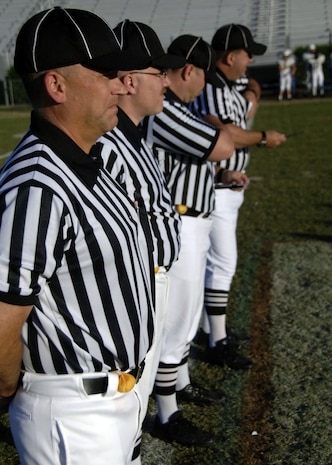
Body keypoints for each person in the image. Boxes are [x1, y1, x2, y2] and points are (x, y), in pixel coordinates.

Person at [0, 7, 156, 465]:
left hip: (112, 400)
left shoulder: (87, 159)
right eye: (107, 72)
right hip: (74, 412)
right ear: (56, 84)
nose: (120, 83)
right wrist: (10, 386)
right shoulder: (37, 183)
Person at [144, 34, 246, 446]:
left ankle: (180, 385)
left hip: (191, 219)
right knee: (174, 322)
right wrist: (220, 134)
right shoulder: (167, 109)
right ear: (191, 70)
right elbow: (221, 145)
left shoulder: (176, 108)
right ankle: (167, 415)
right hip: (178, 226)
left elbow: (191, 163)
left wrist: (219, 178)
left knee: (184, 322)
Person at [98, 19, 185, 462]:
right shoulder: (109, 144)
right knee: (129, 401)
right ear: (129, 80)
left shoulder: (133, 136)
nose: (167, 82)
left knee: (138, 397)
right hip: (138, 285)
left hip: (154, 279)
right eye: (159, 73)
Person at [194, 23, 286, 370]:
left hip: (226, 185)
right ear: (230, 56)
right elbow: (229, 132)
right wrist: (263, 137)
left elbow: (238, 119)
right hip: (214, 186)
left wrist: (252, 97)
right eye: (247, 55)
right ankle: (217, 340)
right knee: (222, 263)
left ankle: (211, 328)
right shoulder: (213, 89)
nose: (250, 61)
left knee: (216, 263)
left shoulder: (224, 87)